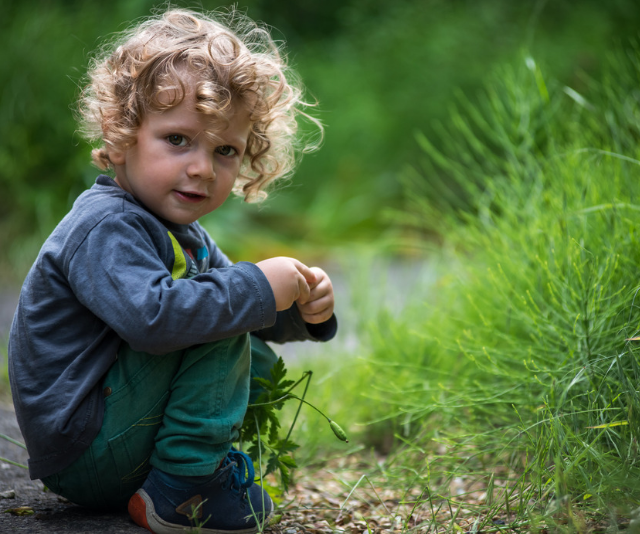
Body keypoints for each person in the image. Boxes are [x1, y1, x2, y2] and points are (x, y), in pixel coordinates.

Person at [8, 7, 337, 534]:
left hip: (115, 437)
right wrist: (255, 284)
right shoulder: (105, 226)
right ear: (123, 134)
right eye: (178, 139)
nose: (203, 167)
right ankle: (184, 488)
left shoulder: (181, 232)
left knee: (232, 313)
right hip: (85, 445)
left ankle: (181, 474)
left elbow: (251, 311)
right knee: (216, 309)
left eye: (224, 149)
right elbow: (155, 320)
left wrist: (302, 306)